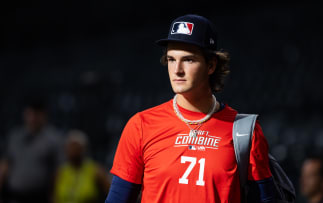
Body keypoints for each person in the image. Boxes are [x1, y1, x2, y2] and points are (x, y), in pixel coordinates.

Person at [106, 14, 274, 203]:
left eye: (188, 60)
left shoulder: (245, 132)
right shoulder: (141, 125)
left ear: (211, 65)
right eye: (171, 59)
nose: (177, 69)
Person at [0, 96, 63, 203]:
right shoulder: (15, 136)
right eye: (29, 114)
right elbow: (5, 166)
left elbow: (58, 172)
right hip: (14, 196)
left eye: (36, 114)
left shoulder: (54, 139)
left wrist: (55, 197)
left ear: (44, 115)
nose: (32, 118)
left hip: (40, 197)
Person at [54, 129, 111, 203]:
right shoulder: (61, 172)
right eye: (70, 146)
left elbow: (111, 193)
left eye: (76, 146)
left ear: (84, 148)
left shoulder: (95, 170)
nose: (73, 150)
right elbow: (54, 197)